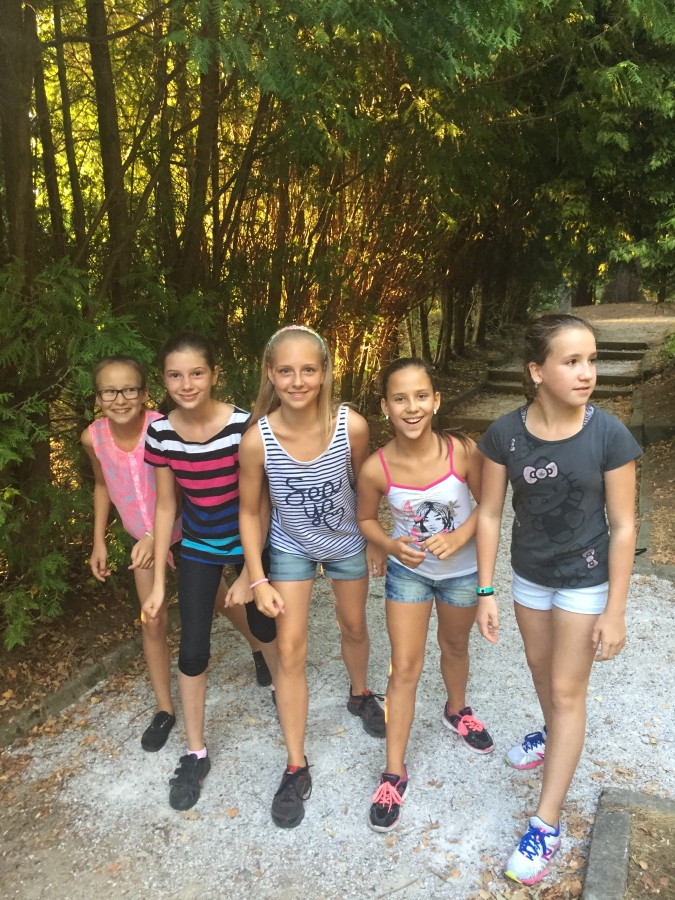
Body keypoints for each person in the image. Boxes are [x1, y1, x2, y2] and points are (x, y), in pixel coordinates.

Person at [475, 314, 641, 884]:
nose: (587, 372)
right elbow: (489, 514)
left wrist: (615, 609)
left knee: (568, 691)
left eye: (591, 360)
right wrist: (486, 590)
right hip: (529, 578)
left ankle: (546, 822)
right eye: (572, 361)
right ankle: (552, 735)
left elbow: (624, 526)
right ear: (536, 371)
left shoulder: (609, 435)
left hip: (586, 582)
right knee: (542, 673)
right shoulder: (504, 434)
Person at [239, 324, 385, 829]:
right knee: (290, 649)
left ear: (324, 372)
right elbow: (250, 511)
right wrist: (256, 577)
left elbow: (366, 486)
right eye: (285, 370)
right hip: (291, 547)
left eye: (307, 369)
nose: (297, 381)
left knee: (354, 626)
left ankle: (360, 694)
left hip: (346, 542)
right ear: (270, 373)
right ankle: (295, 764)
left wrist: (376, 539)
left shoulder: (352, 426)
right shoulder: (257, 439)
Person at [357, 357, 493, 833]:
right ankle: (393, 772)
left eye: (420, 396)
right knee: (404, 667)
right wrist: (389, 544)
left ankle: (458, 711)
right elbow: (365, 519)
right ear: (385, 407)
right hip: (407, 576)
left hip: (461, 573)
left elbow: (488, 507)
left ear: (436, 400)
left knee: (454, 646)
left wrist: (458, 538)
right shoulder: (375, 468)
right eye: (400, 398)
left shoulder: (463, 452)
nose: (411, 407)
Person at [143, 333, 277, 811]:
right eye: (175, 375)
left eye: (196, 373)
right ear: (163, 381)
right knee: (193, 648)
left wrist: (249, 575)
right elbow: (166, 505)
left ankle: (280, 687)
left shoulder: (244, 426)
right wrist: (159, 584)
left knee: (266, 625)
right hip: (199, 545)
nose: (186, 384)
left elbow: (261, 502)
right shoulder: (160, 432)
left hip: (250, 540)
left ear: (214, 374)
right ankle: (195, 752)